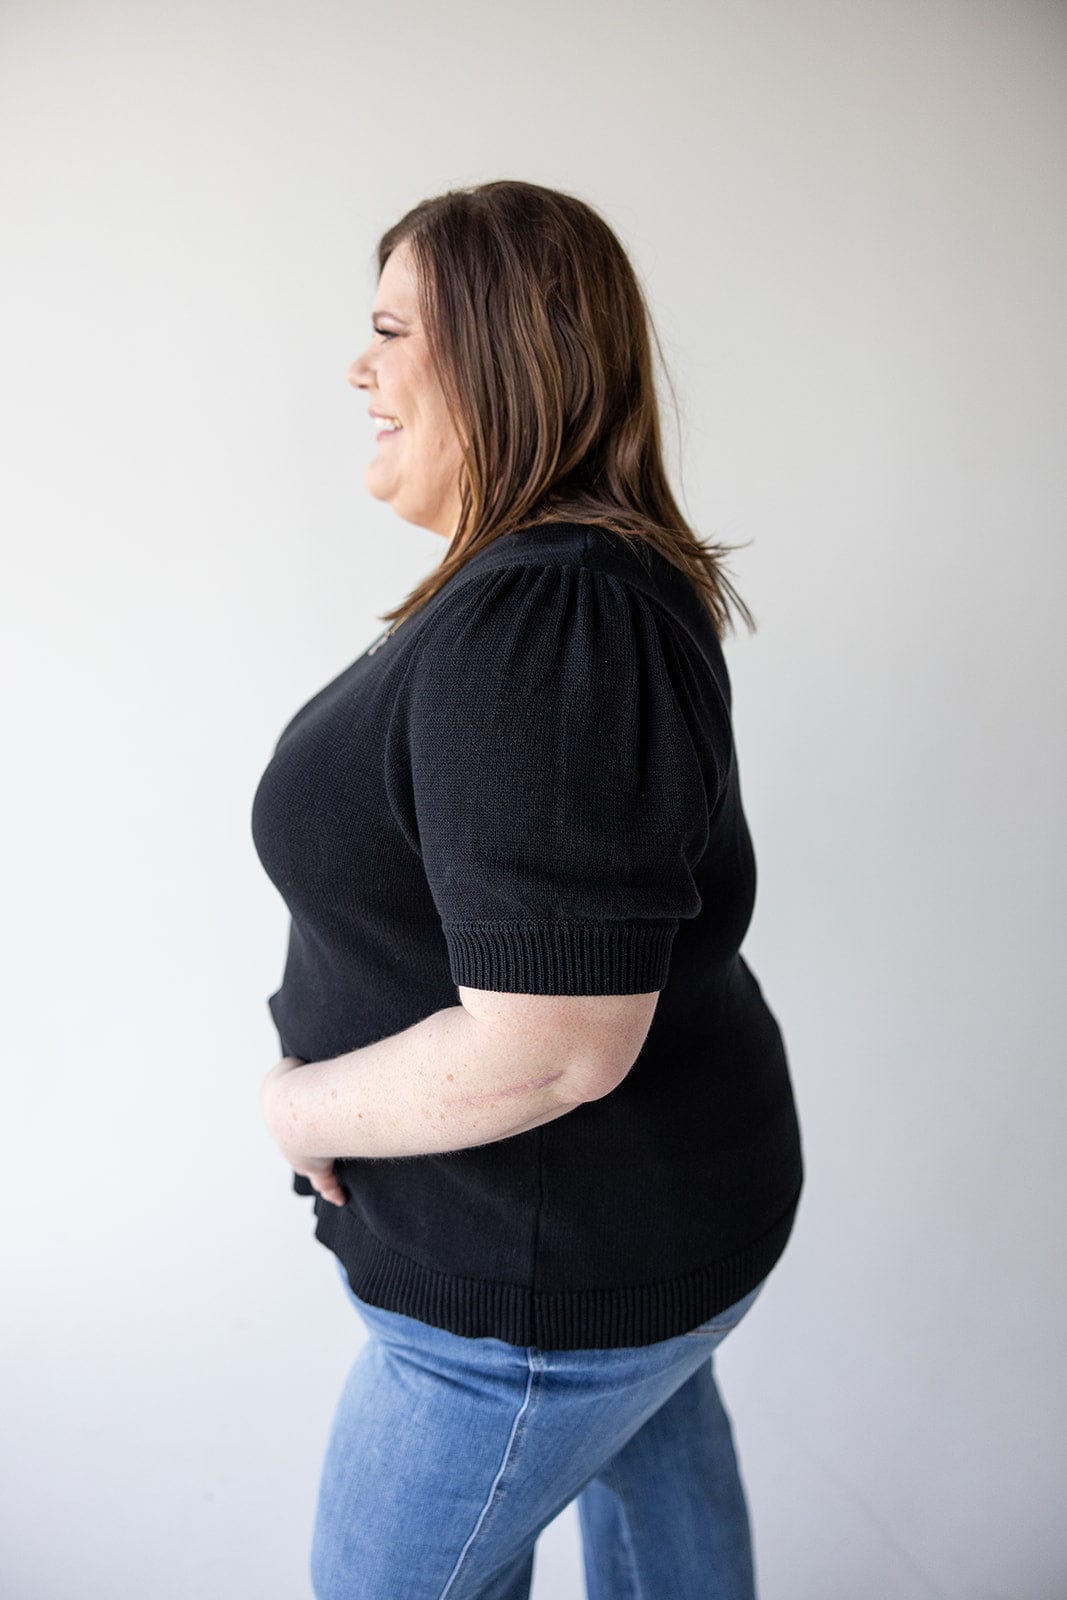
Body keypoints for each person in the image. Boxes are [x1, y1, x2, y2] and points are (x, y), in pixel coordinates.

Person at [250, 180, 804, 1600]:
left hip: (534, 1297)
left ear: (503, 346)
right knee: (663, 1512)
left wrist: (297, 1106)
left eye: (389, 330)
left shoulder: (547, 617)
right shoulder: (563, 588)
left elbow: (554, 1040)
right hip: (630, 1236)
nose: (359, 369)